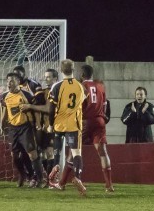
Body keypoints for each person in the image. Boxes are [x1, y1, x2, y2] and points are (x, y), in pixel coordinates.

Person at [48, 59, 87, 196]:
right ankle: (78, 177)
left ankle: (56, 168)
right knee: (76, 153)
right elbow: (84, 104)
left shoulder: (56, 86)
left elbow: (51, 109)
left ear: (60, 69)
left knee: (57, 152)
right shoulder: (80, 86)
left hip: (59, 124)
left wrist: (50, 124)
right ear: (73, 69)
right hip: (74, 124)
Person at [1, 72, 44, 188]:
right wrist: (1, 124)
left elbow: (35, 110)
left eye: (11, 81)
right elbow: (5, 111)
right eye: (7, 81)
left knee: (32, 154)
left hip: (25, 127)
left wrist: (38, 123)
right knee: (14, 156)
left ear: (18, 82)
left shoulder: (26, 95)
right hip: (12, 128)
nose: (9, 83)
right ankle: (23, 175)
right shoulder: (5, 96)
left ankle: (40, 179)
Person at [20, 68, 58, 186]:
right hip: (42, 126)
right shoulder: (42, 91)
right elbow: (39, 109)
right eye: (45, 76)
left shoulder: (56, 90)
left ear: (55, 78)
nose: (46, 79)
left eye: (49, 77)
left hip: (53, 126)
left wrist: (29, 106)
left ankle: (51, 179)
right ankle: (43, 178)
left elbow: (47, 109)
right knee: (41, 153)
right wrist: (37, 123)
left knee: (50, 152)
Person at [80, 65, 114, 192]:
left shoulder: (81, 87)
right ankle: (109, 185)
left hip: (85, 121)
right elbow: (105, 108)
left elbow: (79, 106)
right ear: (92, 74)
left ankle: (62, 182)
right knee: (103, 152)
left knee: (74, 152)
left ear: (82, 75)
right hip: (99, 121)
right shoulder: (100, 86)